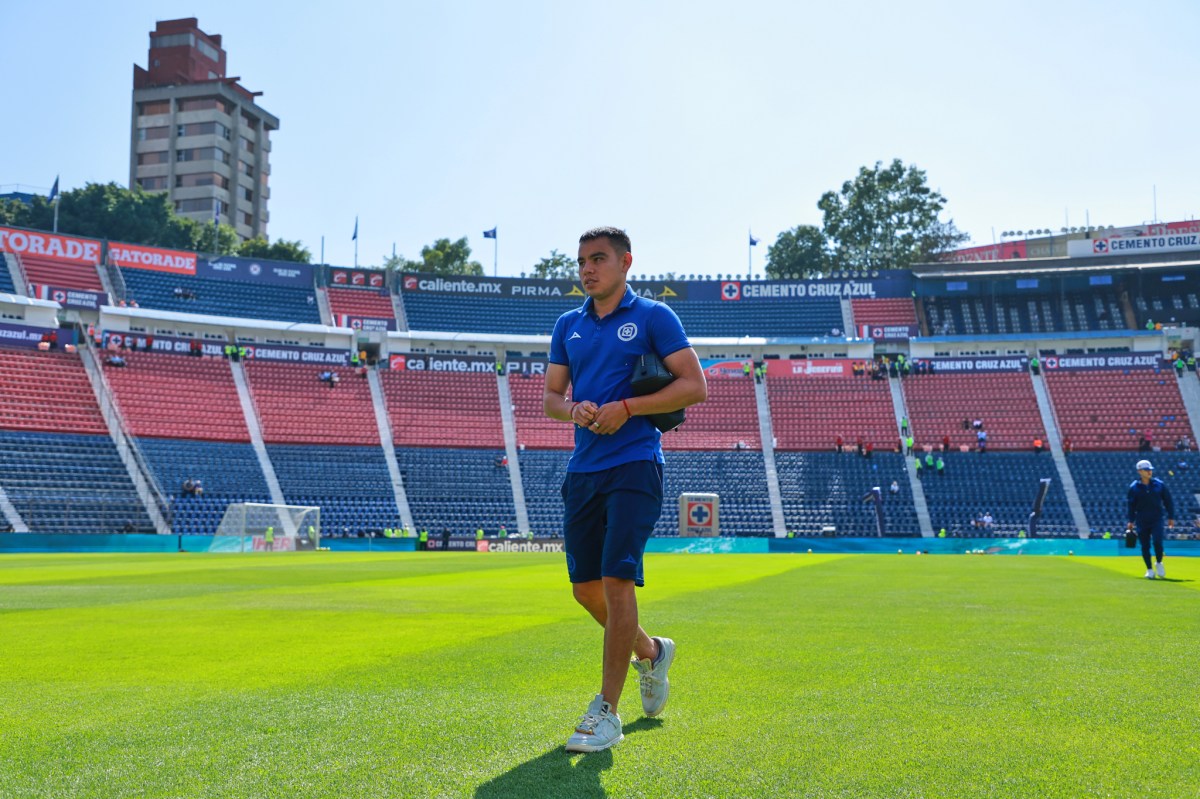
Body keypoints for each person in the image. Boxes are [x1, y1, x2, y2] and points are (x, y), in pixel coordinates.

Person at [544, 226, 707, 753]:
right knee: (585, 590)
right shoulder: (567, 325)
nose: (588, 269)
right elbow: (551, 396)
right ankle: (653, 652)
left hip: (636, 465)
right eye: (582, 262)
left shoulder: (655, 317)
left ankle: (606, 712)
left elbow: (694, 386)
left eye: (598, 259)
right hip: (583, 469)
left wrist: (629, 407)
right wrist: (575, 408)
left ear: (625, 262)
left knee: (616, 583)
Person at [1127, 460, 1175, 579]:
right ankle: (1149, 570)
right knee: (1145, 545)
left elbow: (1168, 501)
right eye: (1146, 470)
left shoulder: (1160, 484)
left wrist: (1171, 517)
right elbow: (1131, 505)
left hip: (1157, 518)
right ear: (1139, 471)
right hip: (1141, 519)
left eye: (1150, 469)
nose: (1150, 472)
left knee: (1158, 541)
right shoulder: (1134, 487)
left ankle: (1159, 562)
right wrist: (1130, 520)